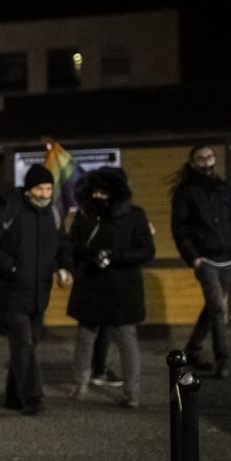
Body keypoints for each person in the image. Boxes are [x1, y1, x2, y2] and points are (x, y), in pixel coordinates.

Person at [0, 164, 73, 415]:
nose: (45, 193)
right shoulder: (10, 210)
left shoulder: (53, 214)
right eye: (40, 188)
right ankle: (32, 398)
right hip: (11, 291)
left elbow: (63, 245)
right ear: (29, 189)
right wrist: (11, 267)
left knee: (27, 347)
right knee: (24, 344)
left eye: (49, 188)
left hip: (40, 292)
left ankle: (13, 396)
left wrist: (64, 268)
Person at [66, 167, 155, 407]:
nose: (99, 196)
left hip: (123, 285)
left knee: (126, 336)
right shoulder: (85, 215)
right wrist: (88, 253)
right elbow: (71, 245)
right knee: (86, 335)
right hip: (91, 282)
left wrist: (117, 256)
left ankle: (132, 393)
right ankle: (81, 383)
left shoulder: (135, 215)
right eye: (95, 191)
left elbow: (147, 250)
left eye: (104, 192)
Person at [171, 145, 231, 378]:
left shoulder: (223, 188)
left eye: (209, 156)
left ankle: (191, 351)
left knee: (212, 307)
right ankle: (223, 358)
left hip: (227, 257)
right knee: (217, 308)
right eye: (201, 158)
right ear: (193, 163)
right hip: (206, 259)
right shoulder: (186, 192)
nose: (206, 161)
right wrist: (194, 258)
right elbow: (179, 228)